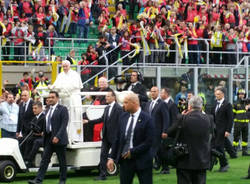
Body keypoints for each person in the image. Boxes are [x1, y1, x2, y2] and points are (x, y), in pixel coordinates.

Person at [107, 93, 154, 184]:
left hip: (142, 160)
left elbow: (149, 142)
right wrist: (111, 157)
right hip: (125, 161)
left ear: (134, 103)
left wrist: (132, 151)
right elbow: (117, 139)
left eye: (126, 102)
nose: (123, 105)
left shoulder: (147, 119)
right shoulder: (123, 117)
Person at [166, 96, 212, 184]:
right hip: (202, 159)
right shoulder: (209, 118)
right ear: (201, 106)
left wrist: (181, 116)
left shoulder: (182, 118)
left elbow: (170, 132)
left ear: (189, 106)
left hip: (185, 159)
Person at [28, 91, 69, 184]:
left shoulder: (63, 109)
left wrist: (57, 136)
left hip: (59, 139)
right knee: (44, 160)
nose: (50, 99)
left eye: (52, 97)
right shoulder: (47, 110)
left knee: (62, 161)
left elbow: (64, 125)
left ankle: (62, 180)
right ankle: (38, 180)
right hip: (48, 139)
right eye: (49, 97)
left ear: (57, 98)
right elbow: (46, 124)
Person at [83, 90, 123, 180]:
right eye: (106, 96)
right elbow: (101, 119)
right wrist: (89, 121)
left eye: (108, 96)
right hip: (105, 136)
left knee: (118, 155)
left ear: (114, 97)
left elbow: (121, 124)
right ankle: (102, 175)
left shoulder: (119, 109)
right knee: (103, 155)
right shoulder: (106, 108)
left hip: (115, 137)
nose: (106, 98)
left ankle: (125, 172)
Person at [50, 60, 83, 142]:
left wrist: (61, 87)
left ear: (69, 66)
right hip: (64, 100)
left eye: (66, 66)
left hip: (73, 99)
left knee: (74, 118)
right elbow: (56, 84)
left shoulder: (75, 74)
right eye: (63, 66)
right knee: (65, 119)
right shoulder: (60, 75)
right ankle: (66, 136)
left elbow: (74, 86)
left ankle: (75, 138)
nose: (64, 68)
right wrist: (52, 86)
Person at [145, 86, 170, 174]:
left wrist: (165, 131)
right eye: (151, 91)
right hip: (149, 132)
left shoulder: (162, 104)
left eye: (154, 91)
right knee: (157, 151)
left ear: (158, 92)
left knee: (159, 150)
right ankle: (162, 167)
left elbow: (166, 119)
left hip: (159, 132)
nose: (152, 93)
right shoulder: (148, 104)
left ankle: (165, 168)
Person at [212, 86, 233, 172]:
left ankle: (224, 164)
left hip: (223, 130)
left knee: (219, 147)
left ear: (223, 94)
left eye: (218, 94)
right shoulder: (215, 103)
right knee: (217, 147)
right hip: (215, 130)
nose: (216, 95)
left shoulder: (227, 104)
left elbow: (230, 119)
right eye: (216, 94)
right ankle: (223, 163)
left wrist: (228, 130)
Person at [24, 101, 45, 168]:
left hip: (43, 138)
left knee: (36, 142)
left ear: (41, 108)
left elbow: (44, 131)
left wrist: (41, 133)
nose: (34, 110)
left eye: (35, 108)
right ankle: (25, 158)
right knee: (26, 139)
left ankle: (29, 160)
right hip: (36, 136)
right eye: (33, 108)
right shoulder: (34, 118)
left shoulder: (44, 117)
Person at [232, 89, 250, 156]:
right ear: (238, 95)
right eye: (240, 94)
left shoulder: (248, 103)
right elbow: (232, 114)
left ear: (245, 95)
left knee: (245, 137)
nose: (241, 95)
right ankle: (234, 151)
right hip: (238, 123)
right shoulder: (236, 103)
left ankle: (244, 151)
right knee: (236, 137)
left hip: (246, 123)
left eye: (243, 94)